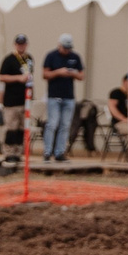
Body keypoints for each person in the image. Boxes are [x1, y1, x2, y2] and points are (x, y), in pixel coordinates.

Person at [42, 33, 84, 161]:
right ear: (59, 45)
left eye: (68, 48)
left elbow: (82, 76)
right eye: (64, 48)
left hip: (69, 97)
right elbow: (45, 74)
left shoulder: (75, 57)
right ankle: (47, 151)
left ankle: (60, 152)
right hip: (54, 96)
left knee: (65, 125)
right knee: (52, 124)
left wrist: (72, 74)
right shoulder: (51, 56)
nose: (66, 51)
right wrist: (58, 72)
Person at [0, 33, 32, 157]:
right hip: (11, 100)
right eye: (19, 44)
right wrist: (18, 78)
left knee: (21, 128)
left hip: (24, 100)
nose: (21, 46)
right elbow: (1, 77)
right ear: (15, 45)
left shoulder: (29, 59)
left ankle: (18, 152)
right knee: (11, 127)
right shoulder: (9, 59)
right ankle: (8, 152)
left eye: (23, 44)